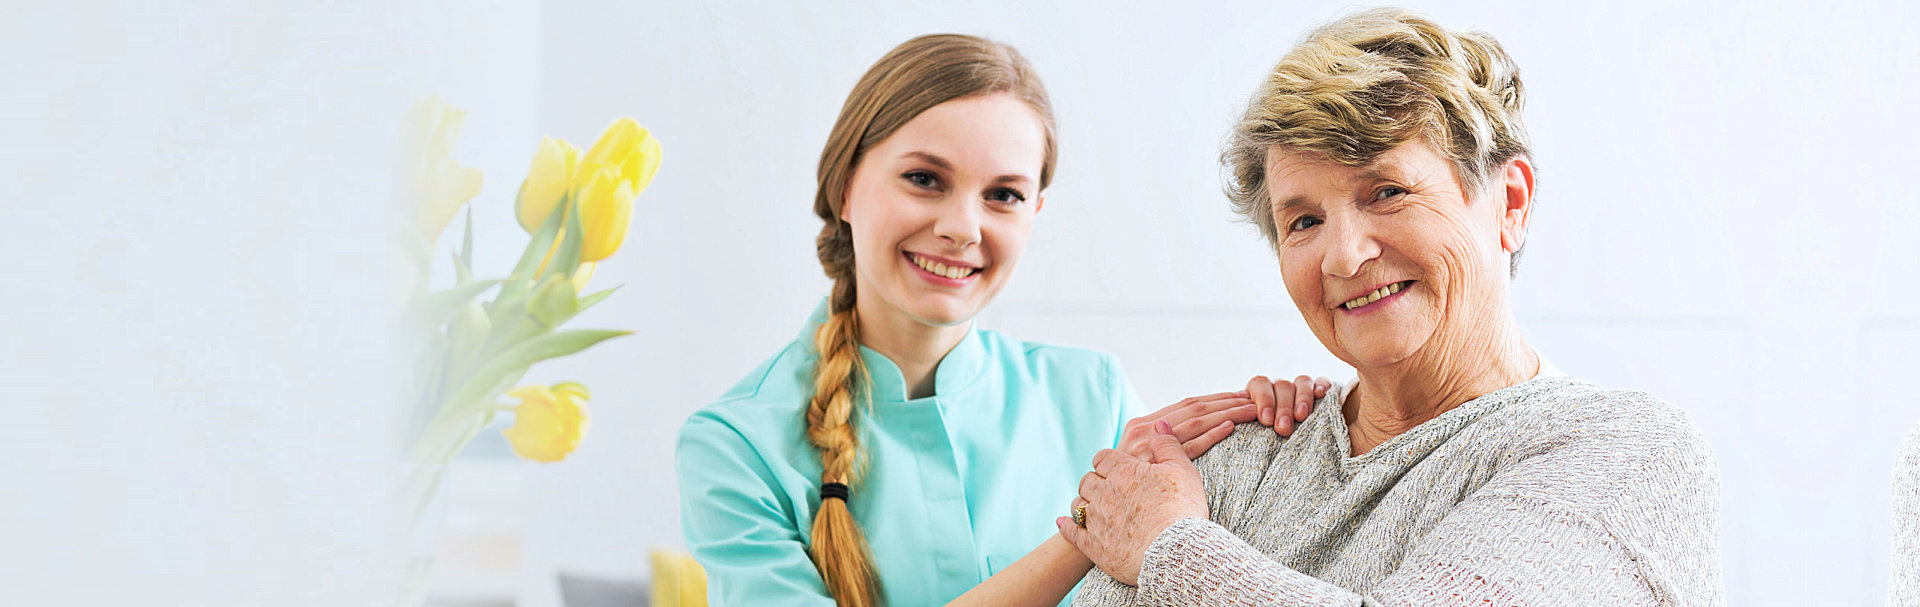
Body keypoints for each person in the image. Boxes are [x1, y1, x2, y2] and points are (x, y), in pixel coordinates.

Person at [1061, 9, 1724, 606]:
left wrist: (1171, 550)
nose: (1344, 257)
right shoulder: (1236, 457)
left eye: (1385, 191)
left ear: (1510, 203)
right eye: (1303, 222)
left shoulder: (1628, 454)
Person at [675, 34, 1328, 607]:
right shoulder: (734, 444)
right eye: (925, 179)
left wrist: (1288, 433)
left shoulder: (1091, 391)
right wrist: (1089, 527)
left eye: (1003, 195)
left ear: (1034, 213)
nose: (962, 227)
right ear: (846, 185)